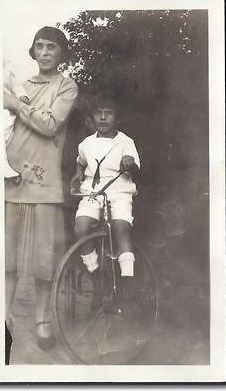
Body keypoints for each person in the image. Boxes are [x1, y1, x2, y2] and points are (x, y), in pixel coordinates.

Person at [4, 26, 78, 351]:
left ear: (61, 53)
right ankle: (3, 316)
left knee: (44, 260)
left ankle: (42, 319)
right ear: (33, 50)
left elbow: (49, 124)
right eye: (40, 46)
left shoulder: (67, 87)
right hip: (11, 179)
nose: (45, 52)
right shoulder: (18, 84)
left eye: (52, 47)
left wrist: (17, 105)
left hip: (46, 183)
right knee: (7, 259)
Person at [71, 94, 140, 310]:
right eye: (98, 113)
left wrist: (129, 164)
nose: (102, 117)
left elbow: (135, 167)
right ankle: (96, 273)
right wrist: (77, 174)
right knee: (80, 228)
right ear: (92, 118)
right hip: (93, 191)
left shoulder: (126, 142)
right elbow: (81, 162)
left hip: (118, 190)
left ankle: (127, 281)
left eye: (108, 113)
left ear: (116, 118)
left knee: (121, 227)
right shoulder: (86, 143)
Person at [3, 59, 30, 179]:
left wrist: (21, 95)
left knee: (3, 131)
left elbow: (15, 85)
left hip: (3, 108)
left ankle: (3, 164)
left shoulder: (6, 70)